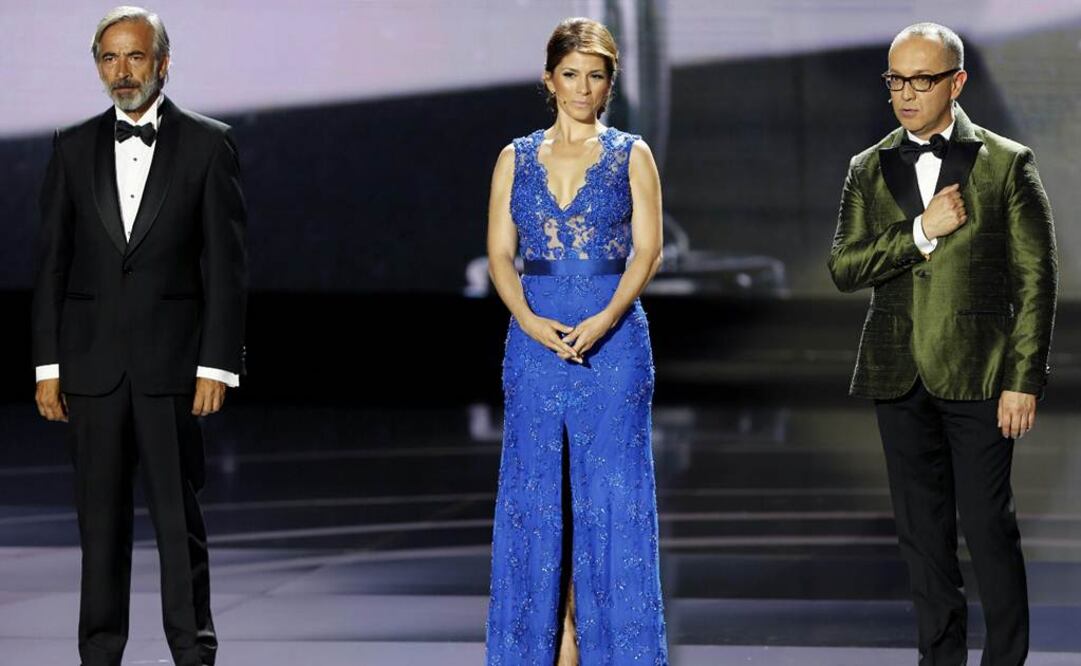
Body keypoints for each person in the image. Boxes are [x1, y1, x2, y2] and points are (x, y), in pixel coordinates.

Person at [828, 22, 1056, 666]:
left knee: (988, 531)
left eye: (921, 80)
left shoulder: (1007, 163)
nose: (905, 94)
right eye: (896, 80)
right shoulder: (867, 167)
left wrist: (1024, 378)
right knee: (922, 540)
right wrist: (920, 233)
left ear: (956, 82)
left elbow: (1037, 279)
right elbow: (844, 268)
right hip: (897, 374)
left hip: (981, 375)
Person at [31, 7, 247, 666]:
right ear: (98, 65)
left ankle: (193, 654)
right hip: (91, 371)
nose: (122, 72)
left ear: (162, 62)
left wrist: (217, 364)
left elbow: (226, 265)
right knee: (99, 530)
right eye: (109, 59)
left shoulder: (209, 144)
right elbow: (51, 267)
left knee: (180, 530)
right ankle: (98, 655)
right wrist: (47, 366)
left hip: (172, 369)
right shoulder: (70, 146)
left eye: (134, 57)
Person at [484, 17, 669, 666]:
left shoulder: (630, 154)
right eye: (570, 74)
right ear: (549, 79)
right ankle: (549, 639)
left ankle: (613, 646)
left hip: (612, 344)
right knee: (536, 495)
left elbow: (648, 249)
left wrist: (607, 316)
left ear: (609, 83)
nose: (582, 87)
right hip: (533, 343)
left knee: (611, 498)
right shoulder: (515, 155)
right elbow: (499, 255)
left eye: (595, 76)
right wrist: (530, 322)